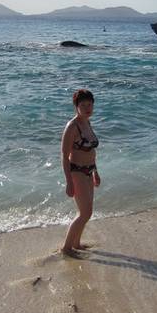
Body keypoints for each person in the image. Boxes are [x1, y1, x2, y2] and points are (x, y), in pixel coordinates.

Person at [60, 89, 101, 256]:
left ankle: (76, 244)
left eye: (89, 104)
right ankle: (66, 248)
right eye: (83, 105)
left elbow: (91, 151)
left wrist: (96, 172)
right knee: (85, 213)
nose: (87, 108)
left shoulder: (87, 122)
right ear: (76, 106)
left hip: (89, 171)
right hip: (77, 172)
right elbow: (64, 156)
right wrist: (69, 182)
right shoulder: (72, 127)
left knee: (86, 212)